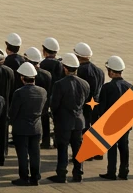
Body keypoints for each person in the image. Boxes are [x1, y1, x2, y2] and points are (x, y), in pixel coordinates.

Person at [48, 53, 88, 183]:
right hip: (79, 121)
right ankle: (78, 173)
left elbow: (54, 104)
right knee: (78, 149)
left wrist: (54, 115)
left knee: (63, 148)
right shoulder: (85, 84)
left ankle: (61, 174)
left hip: (64, 121)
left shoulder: (59, 84)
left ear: (65, 68)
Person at [10, 62, 47, 186]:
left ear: (22, 78)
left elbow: (13, 111)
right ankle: (35, 177)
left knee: (22, 154)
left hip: (21, 128)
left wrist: (11, 121)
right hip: (36, 127)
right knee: (35, 154)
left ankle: (24, 177)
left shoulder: (19, 92)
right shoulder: (43, 91)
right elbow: (44, 109)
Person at [96, 56, 132, 181]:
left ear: (111, 71)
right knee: (124, 147)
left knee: (112, 148)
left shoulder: (107, 87)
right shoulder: (129, 86)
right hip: (125, 123)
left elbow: (102, 107)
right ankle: (124, 171)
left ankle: (111, 171)